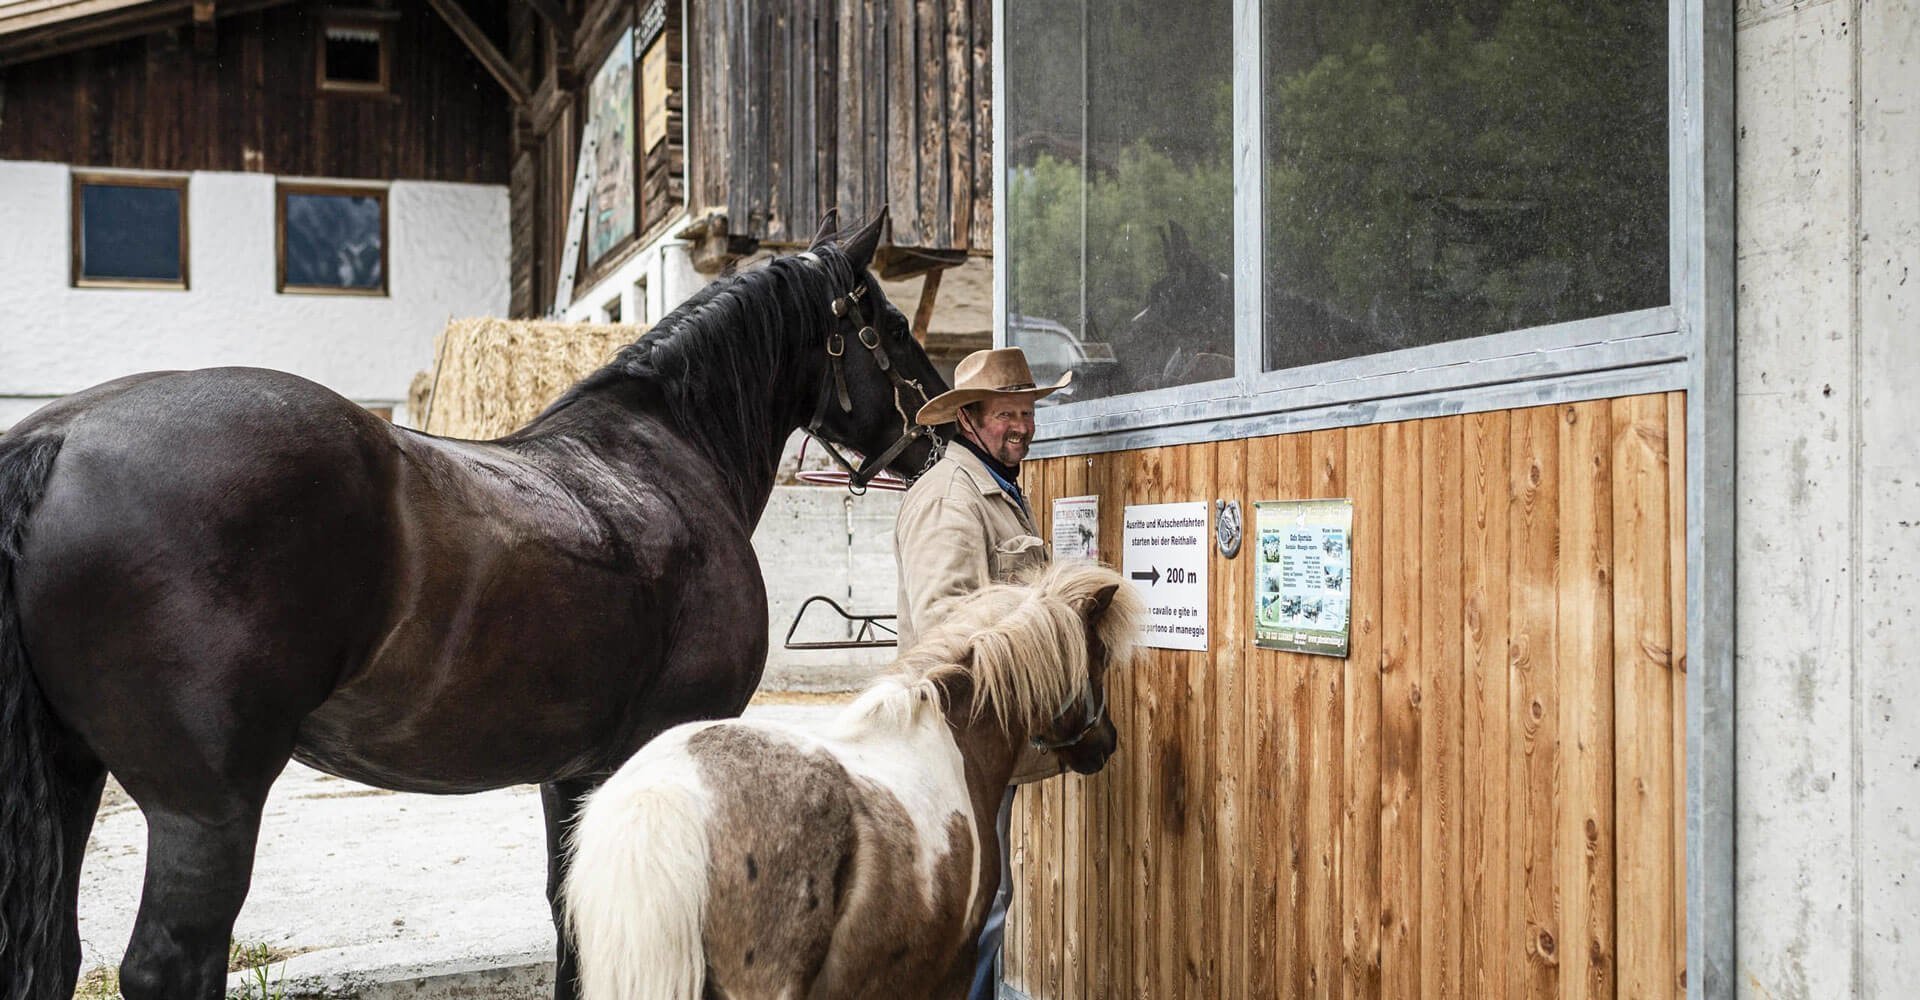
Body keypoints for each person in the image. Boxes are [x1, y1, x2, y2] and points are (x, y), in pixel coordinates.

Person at [893, 346, 1070, 1000]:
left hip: (984, 744)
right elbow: (945, 622)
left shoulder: (993, 488)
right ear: (968, 419)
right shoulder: (950, 497)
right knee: (975, 903)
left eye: (1027, 412)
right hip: (956, 743)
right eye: (1006, 415)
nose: (1021, 426)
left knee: (986, 895)